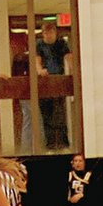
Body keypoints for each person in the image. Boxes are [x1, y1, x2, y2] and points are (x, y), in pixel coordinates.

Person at [36, 22, 71, 150]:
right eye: (46, 33)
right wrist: (40, 70)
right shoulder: (39, 45)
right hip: (45, 82)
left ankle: (63, 141)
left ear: (55, 33)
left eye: (51, 32)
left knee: (60, 113)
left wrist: (74, 73)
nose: (48, 35)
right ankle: (50, 143)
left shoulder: (61, 43)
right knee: (47, 114)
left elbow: (69, 58)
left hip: (59, 81)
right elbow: (37, 60)